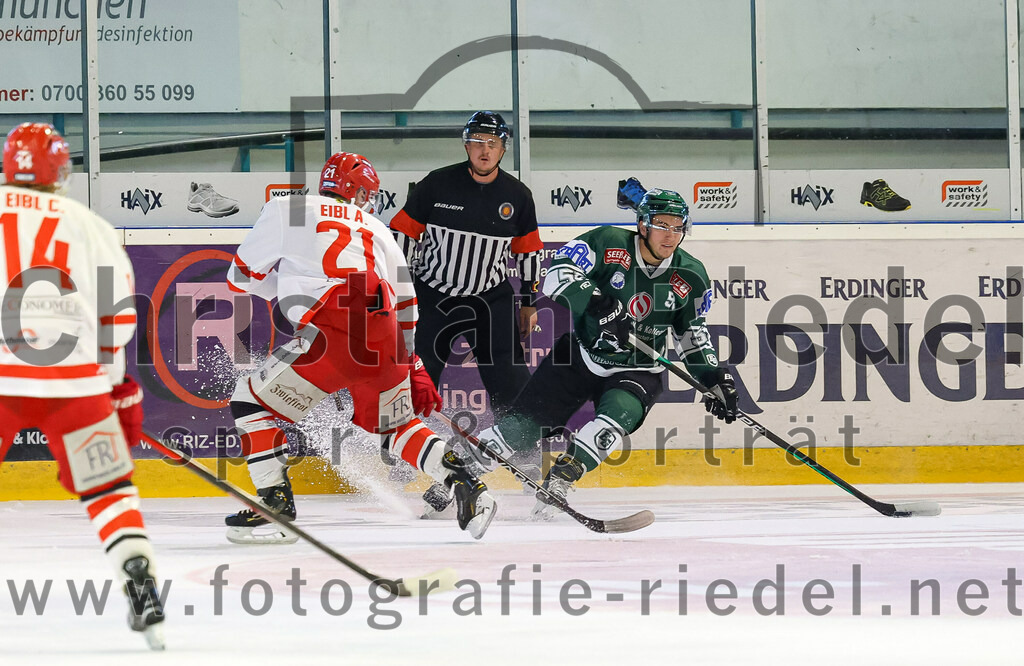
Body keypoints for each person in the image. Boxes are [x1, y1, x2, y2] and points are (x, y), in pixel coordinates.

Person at [224, 151, 497, 542]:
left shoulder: (289, 208)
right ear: (359, 194)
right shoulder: (375, 226)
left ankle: (275, 506)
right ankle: (468, 486)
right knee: (397, 426)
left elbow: (240, 277)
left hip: (334, 323)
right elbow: (406, 305)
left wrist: (286, 287)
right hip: (384, 331)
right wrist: (413, 366)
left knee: (250, 403)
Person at [469, 180, 739, 519]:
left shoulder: (692, 274)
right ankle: (458, 472)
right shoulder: (608, 242)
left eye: (677, 227)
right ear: (643, 225)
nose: (670, 235)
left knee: (613, 421)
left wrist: (714, 378)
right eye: (662, 226)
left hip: (638, 368)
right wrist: (595, 303)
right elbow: (556, 275)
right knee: (521, 430)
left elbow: (692, 334)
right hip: (580, 356)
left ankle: (561, 480)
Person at [0, 123, 165, 649]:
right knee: (108, 489)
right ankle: (136, 572)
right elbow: (115, 317)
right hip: (73, 383)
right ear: (61, 169)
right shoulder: (87, 221)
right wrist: (114, 384)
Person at [389, 110, 543, 513]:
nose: (485, 150)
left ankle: (528, 466)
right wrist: (397, 292)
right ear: (466, 144)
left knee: (512, 384)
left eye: (493, 143)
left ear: (504, 148)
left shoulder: (518, 195)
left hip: (487, 301)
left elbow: (528, 251)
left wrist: (528, 303)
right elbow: (402, 237)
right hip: (433, 296)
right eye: (478, 142)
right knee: (414, 378)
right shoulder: (437, 184)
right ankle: (406, 460)